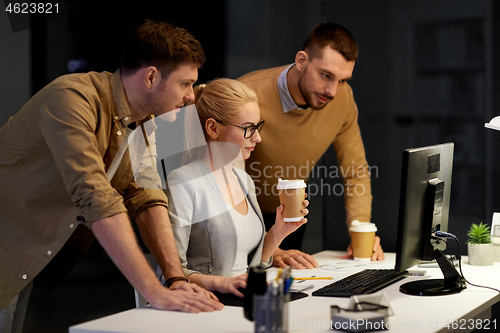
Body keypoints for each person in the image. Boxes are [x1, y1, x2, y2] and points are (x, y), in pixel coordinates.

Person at [0, 20, 223, 333]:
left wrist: (174, 279)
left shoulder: (145, 120)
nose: (191, 96)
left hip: (27, 249)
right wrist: (153, 293)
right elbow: (95, 195)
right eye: (185, 84)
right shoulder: (71, 98)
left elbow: (145, 194)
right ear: (151, 77)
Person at [238, 22, 384, 268]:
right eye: (326, 75)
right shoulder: (247, 94)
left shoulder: (342, 98)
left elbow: (356, 170)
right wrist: (270, 246)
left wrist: (361, 232)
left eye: (342, 80)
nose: (333, 91)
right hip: (240, 220)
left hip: (291, 215)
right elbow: (220, 179)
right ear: (301, 61)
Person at [162, 78, 309, 297]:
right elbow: (171, 274)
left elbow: (251, 265)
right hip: (206, 305)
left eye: (257, 127)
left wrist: (278, 232)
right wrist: (221, 283)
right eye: (249, 129)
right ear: (213, 128)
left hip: (241, 299)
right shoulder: (183, 182)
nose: (258, 138)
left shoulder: (244, 180)